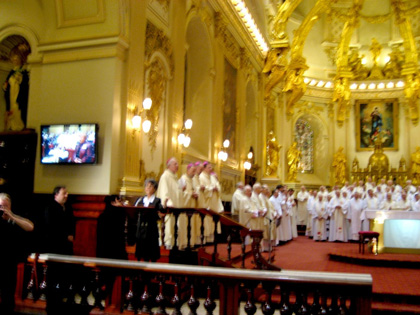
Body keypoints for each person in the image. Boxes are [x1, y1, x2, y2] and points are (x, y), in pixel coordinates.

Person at [0, 193, 34, 314]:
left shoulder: (14, 219)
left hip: (9, 262)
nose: (2, 209)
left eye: (5, 206)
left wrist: (12, 216)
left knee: (8, 294)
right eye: (0, 206)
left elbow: (30, 227)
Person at [3, 43, 30, 131]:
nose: (15, 59)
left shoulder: (24, 72)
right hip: (12, 95)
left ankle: (19, 125)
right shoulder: (11, 73)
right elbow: (7, 84)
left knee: (18, 110)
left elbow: (26, 86)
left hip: (19, 96)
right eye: (13, 58)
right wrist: (5, 86)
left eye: (17, 58)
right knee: (11, 110)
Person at [134, 179, 163, 262]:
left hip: (151, 228)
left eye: (150, 186)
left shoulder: (157, 201)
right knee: (141, 249)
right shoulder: (140, 200)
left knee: (151, 250)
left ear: (155, 189)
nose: (148, 188)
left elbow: (161, 212)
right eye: (146, 186)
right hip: (141, 228)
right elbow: (134, 209)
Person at [40, 186, 75, 254]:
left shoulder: (68, 208)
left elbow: (72, 223)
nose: (66, 195)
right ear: (56, 195)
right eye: (64, 193)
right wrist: (65, 236)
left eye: (67, 193)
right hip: (55, 244)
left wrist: (71, 234)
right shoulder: (50, 208)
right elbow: (51, 226)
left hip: (67, 245)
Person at [156, 157, 182, 248]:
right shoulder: (165, 176)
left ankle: (173, 244)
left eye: (177, 164)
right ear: (169, 165)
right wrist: (169, 203)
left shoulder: (175, 177)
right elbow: (164, 192)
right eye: (175, 164)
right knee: (168, 228)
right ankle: (167, 245)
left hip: (176, 208)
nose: (177, 166)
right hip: (169, 209)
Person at [96, 195, 127, 260]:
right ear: (113, 202)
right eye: (119, 201)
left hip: (103, 253)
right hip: (116, 252)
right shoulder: (119, 215)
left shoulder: (102, 216)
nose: (120, 203)